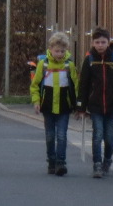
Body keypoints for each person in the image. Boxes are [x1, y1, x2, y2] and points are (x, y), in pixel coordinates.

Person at [77, 27, 113, 178]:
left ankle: (107, 159)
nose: (100, 45)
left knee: (109, 137)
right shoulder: (90, 60)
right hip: (95, 106)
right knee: (97, 135)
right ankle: (97, 164)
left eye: (103, 42)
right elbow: (83, 85)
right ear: (93, 43)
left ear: (108, 42)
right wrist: (81, 107)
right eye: (97, 42)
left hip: (111, 106)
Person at [30, 32, 79, 176]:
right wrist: (36, 101)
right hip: (48, 106)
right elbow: (35, 85)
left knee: (62, 135)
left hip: (64, 106)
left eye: (62, 51)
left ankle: (60, 162)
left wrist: (78, 106)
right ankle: (51, 160)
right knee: (50, 135)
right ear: (50, 49)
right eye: (57, 51)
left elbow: (75, 86)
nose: (59, 54)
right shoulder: (43, 65)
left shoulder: (69, 65)